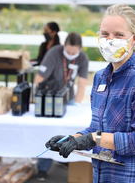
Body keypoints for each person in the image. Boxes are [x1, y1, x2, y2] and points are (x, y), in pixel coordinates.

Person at [45, 4, 135, 183]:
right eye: (105, 34)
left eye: (119, 35)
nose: (110, 40)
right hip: (104, 175)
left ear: (134, 39)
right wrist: (72, 139)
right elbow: (97, 130)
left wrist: (94, 139)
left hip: (134, 177)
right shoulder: (101, 77)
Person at [35, 32, 89, 181]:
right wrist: (42, 98)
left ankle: (64, 160)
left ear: (80, 49)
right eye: (68, 51)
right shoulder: (54, 53)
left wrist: (77, 103)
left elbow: (82, 82)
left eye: (74, 52)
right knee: (48, 131)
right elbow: (39, 78)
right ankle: (43, 167)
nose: (71, 54)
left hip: (69, 99)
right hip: (51, 99)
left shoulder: (83, 58)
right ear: (64, 46)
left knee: (68, 132)